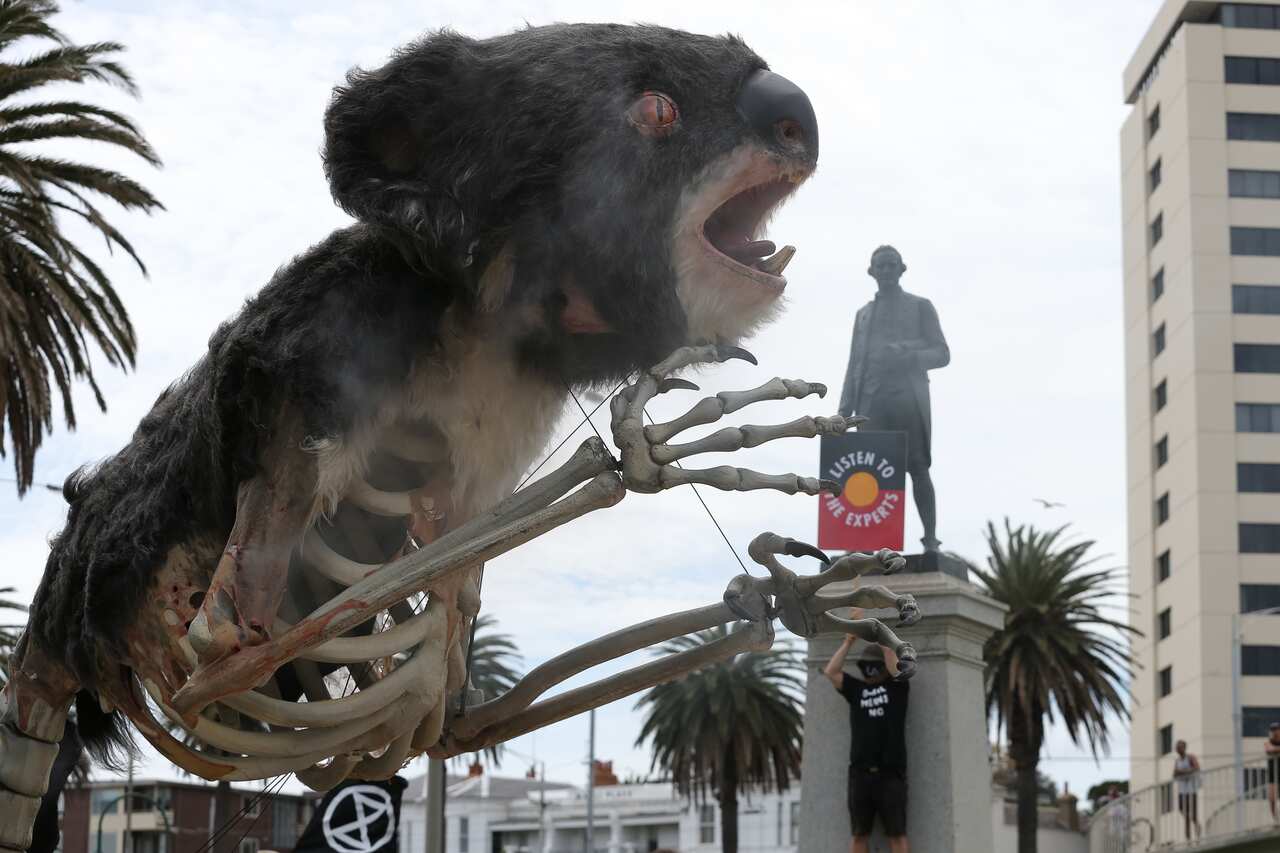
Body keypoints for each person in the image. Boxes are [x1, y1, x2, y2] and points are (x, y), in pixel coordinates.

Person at [837, 245, 950, 551]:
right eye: (880, 266)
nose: (886, 271)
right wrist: (843, 412)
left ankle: (930, 541)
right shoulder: (863, 315)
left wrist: (908, 354)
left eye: (891, 265)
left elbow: (942, 353)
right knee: (869, 472)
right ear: (871, 272)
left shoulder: (920, 306)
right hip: (870, 403)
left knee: (917, 468)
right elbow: (854, 364)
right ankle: (868, 545)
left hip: (907, 400)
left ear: (902, 269)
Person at [824, 620, 910, 853]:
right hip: (860, 774)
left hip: (891, 774)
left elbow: (897, 670)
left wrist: (882, 640)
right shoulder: (856, 690)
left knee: (897, 834)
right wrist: (848, 642)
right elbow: (831, 671)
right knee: (859, 834)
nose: (870, 669)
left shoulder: (897, 688)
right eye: (866, 665)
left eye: (875, 665)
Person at [1172, 740, 1201, 841]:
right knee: (1183, 812)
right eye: (1177, 747)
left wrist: (1182, 772)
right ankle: (1189, 839)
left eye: (1179, 747)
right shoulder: (1177, 761)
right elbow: (1174, 774)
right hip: (1182, 792)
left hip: (1191, 790)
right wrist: (1183, 772)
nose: (1178, 749)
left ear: (1184, 748)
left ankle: (1197, 836)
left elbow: (1197, 768)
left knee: (1193, 815)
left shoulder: (1190, 757)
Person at [1266, 722, 1280, 821]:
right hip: (1272, 774)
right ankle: (1276, 819)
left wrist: (1276, 750)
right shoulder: (1269, 742)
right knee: (1271, 798)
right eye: (1273, 730)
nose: (1275, 732)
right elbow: (1269, 749)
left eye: (1277, 729)